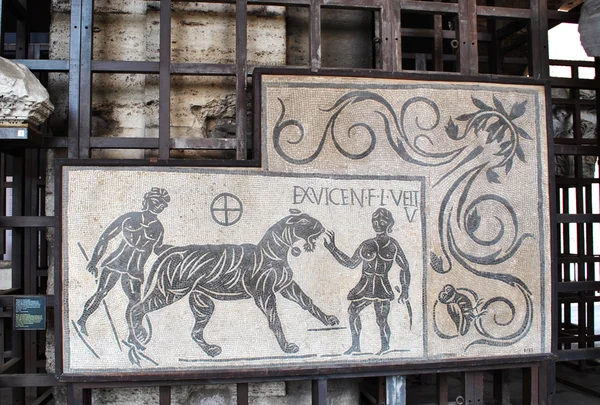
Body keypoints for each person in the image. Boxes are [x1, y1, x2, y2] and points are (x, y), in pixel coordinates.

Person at [76, 187, 170, 336]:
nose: (159, 206)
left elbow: (158, 249)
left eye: (163, 204)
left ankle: (133, 334)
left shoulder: (158, 228)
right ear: (147, 201)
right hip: (116, 263)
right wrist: (94, 261)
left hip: (135, 270)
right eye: (156, 202)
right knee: (101, 292)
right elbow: (105, 237)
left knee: (135, 302)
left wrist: (175, 251)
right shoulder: (129, 218)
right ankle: (82, 320)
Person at [324, 208, 410, 355]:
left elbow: (405, 267)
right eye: (375, 221)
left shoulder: (393, 245)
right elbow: (351, 263)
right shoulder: (367, 244)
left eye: (382, 221)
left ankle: (385, 346)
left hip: (382, 286)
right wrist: (333, 249)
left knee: (381, 319)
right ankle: (356, 345)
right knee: (353, 310)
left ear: (388, 224)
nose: (378, 224)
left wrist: (405, 290)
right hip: (365, 285)